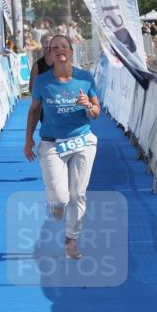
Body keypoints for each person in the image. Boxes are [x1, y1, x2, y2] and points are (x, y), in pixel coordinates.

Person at [23, 34, 100, 261]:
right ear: (49, 53)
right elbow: (34, 110)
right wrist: (28, 139)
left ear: (71, 50)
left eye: (63, 46)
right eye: (54, 47)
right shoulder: (42, 82)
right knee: (60, 200)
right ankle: (55, 205)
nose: (59, 50)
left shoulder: (85, 78)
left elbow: (96, 112)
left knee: (78, 194)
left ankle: (71, 240)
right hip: (51, 142)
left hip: (82, 141)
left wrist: (88, 106)